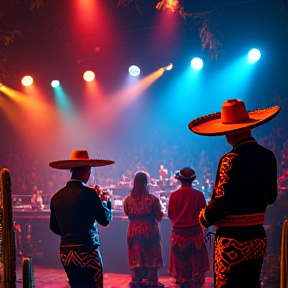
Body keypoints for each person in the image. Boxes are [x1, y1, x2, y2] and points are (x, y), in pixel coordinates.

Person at [188, 99, 281, 288]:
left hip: (232, 240)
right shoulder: (268, 156)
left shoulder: (230, 160)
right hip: (257, 237)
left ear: (229, 132)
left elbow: (221, 203)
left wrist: (204, 217)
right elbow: (271, 197)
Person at [49, 149, 115, 288]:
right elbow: (105, 219)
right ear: (86, 170)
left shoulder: (56, 197)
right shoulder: (89, 194)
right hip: (87, 252)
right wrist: (105, 201)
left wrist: (70, 234)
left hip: (66, 253)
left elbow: (54, 227)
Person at [168, 167, 209, 288]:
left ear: (179, 180)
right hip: (195, 234)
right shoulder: (199, 195)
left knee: (181, 262)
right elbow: (203, 215)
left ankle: (181, 280)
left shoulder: (174, 195)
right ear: (193, 180)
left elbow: (170, 215)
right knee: (195, 263)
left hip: (178, 235)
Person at [123, 171, 164, 288]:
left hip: (134, 232)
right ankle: (152, 282)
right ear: (147, 183)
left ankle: (137, 282)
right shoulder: (153, 200)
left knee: (136, 258)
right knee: (152, 259)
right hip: (150, 231)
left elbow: (127, 214)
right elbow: (159, 216)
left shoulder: (127, 200)